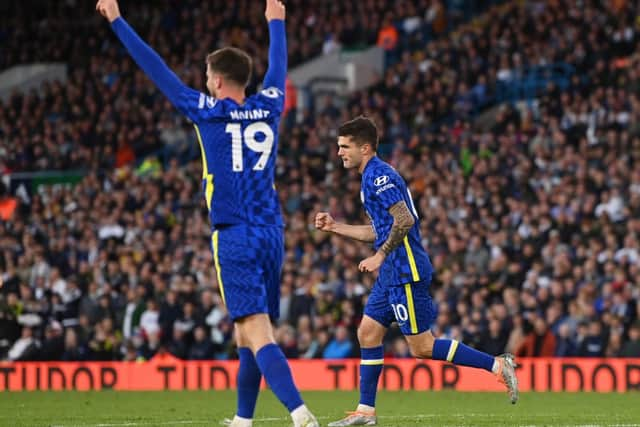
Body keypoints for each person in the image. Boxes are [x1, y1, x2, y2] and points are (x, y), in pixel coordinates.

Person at [95, 1, 319, 426]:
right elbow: (279, 66)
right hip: (272, 231)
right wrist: (277, 22)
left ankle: (299, 412)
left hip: (234, 233)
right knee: (246, 331)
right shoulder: (271, 104)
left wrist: (118, 21)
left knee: (255, 329)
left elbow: (155, 67)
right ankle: (242, 419)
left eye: (206, 78)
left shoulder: (207, 111)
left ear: (216, 82)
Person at [315, 116, 518, 426]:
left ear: (365, 147)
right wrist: (336, 228)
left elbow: (405, 220)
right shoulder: (370, 175)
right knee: (367, 333)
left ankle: (497, 365)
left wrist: (381, 256)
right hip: (391, 273)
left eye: (345, 146)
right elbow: (381, 230)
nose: (340, 152)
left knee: (422, 347)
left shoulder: (379, 176)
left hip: (404, 271)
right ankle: (366, 412)